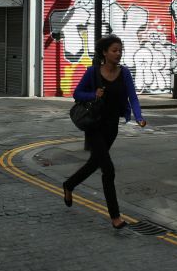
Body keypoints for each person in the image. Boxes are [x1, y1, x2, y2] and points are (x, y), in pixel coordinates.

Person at [62, 35, 146, 229]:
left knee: (94, 163)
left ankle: (69, 185)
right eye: (115, 50)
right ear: (104, 52)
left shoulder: (124, 73)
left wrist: (139, 116)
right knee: (108, 169)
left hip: (111, 127)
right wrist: (94, 94)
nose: (118, 53)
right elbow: (77, 94)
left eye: (120, 50)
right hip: (94, 125)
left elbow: (132, 97)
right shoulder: (93, 72)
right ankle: (115, 217)